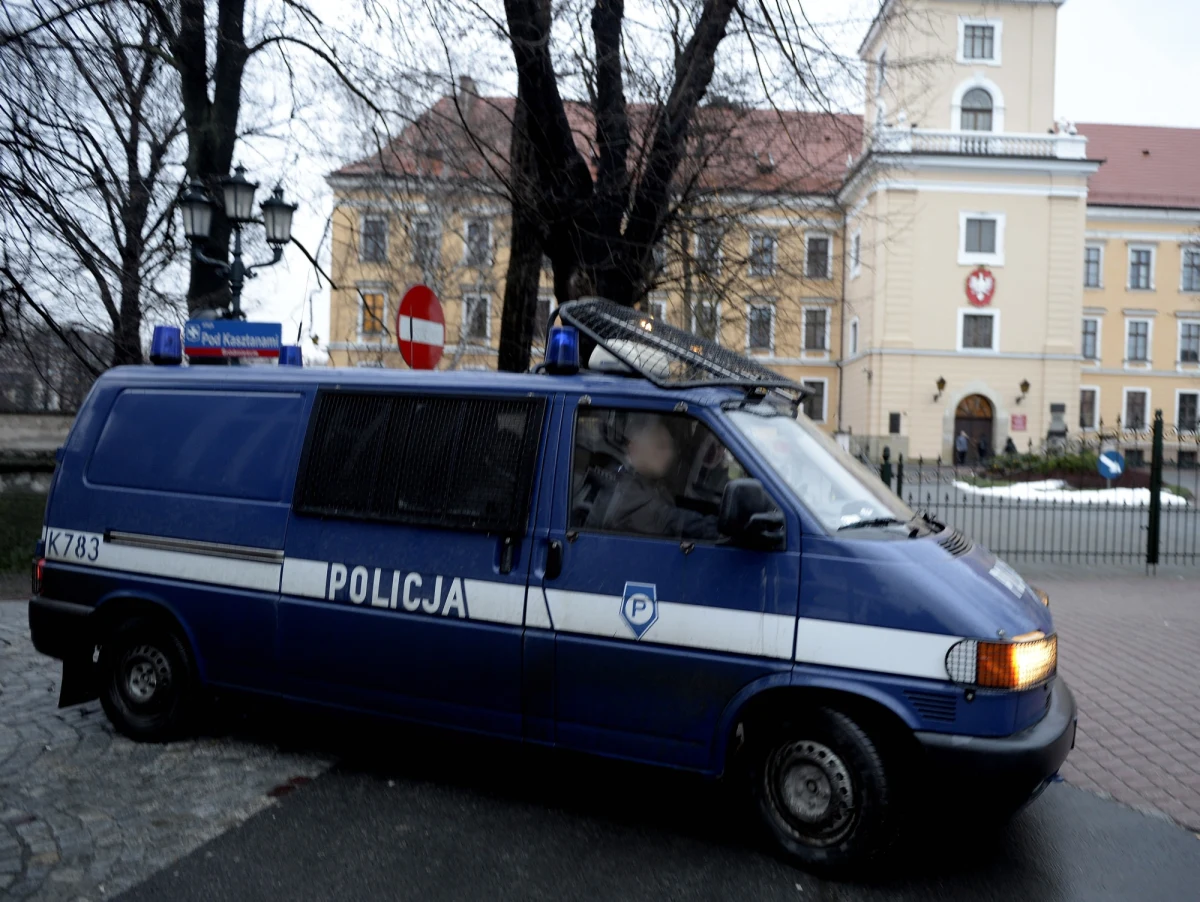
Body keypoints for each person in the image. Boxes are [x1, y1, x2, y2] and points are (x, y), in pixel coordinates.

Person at [602, 414, 720, 540]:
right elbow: (666, 519)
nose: (670, 454)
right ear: (634, 448)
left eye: (671, 447)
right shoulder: (628, 490)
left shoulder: (652, 484)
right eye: (660, 446)